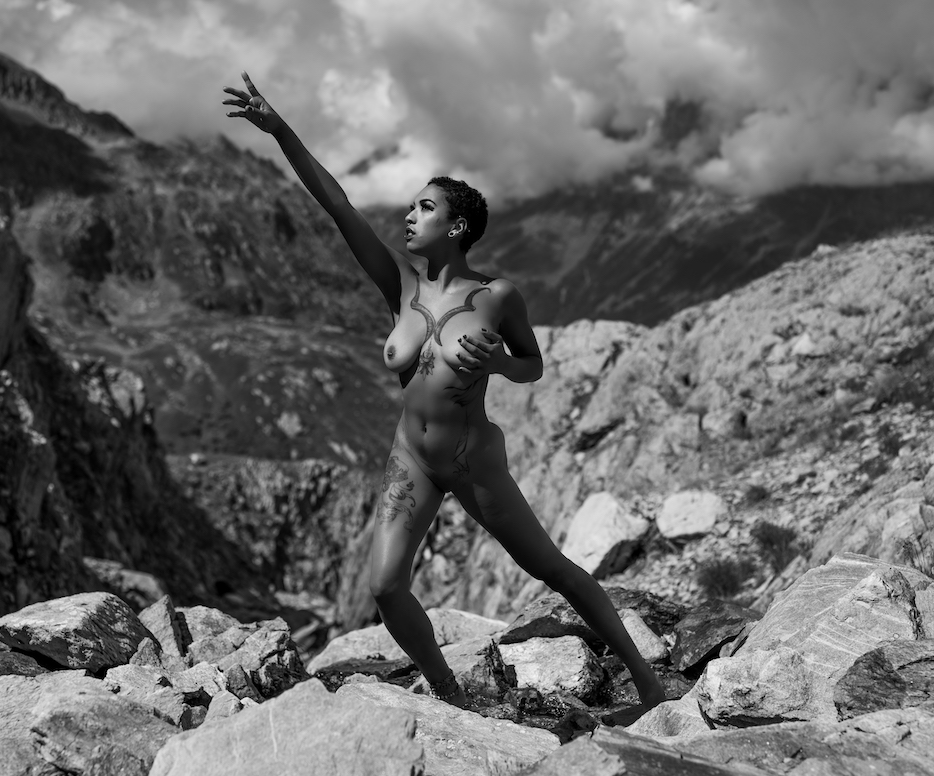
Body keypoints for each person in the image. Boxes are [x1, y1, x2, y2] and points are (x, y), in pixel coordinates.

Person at [224, 72, 666, 711]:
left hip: (471, 458)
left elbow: (532, 364)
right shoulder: (399, 284)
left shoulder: (498, 297)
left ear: (457, 227)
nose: (409, 215)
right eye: (411, 206)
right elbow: (337, 204)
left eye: (424, 208)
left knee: (552, 570)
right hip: (412, 458)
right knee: (384, 586)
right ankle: (448, 694)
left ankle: (648, 682)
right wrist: (280, 130)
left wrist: (502, 365)